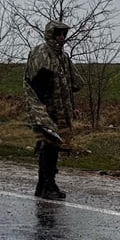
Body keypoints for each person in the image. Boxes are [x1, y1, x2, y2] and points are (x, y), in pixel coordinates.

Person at [24, 21, 83, 200]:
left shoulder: (62, 57)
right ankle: (47, 184)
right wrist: (42, 114)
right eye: (58, 34)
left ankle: (44, 184)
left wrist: (72, 107)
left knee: (52, 147)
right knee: (49, 146)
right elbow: (38, 87)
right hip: (46, 110)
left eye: (63, 34)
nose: (61, 38)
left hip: (59, 110)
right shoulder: (42, 54)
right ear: (51, 34)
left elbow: (73, 82)